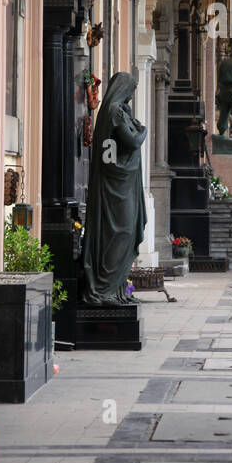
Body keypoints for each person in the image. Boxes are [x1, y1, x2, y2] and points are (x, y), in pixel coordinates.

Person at [81, 71, 147, 305]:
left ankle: (117, 289)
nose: (134, 92)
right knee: (122, 232)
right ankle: (105, 289)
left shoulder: (117, 111)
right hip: (116, 187)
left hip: (121, 184)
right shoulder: (115, 111)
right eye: (132, 87)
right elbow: (132, 142)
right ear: (124, 87)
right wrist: (143, 131)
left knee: (122, 234)